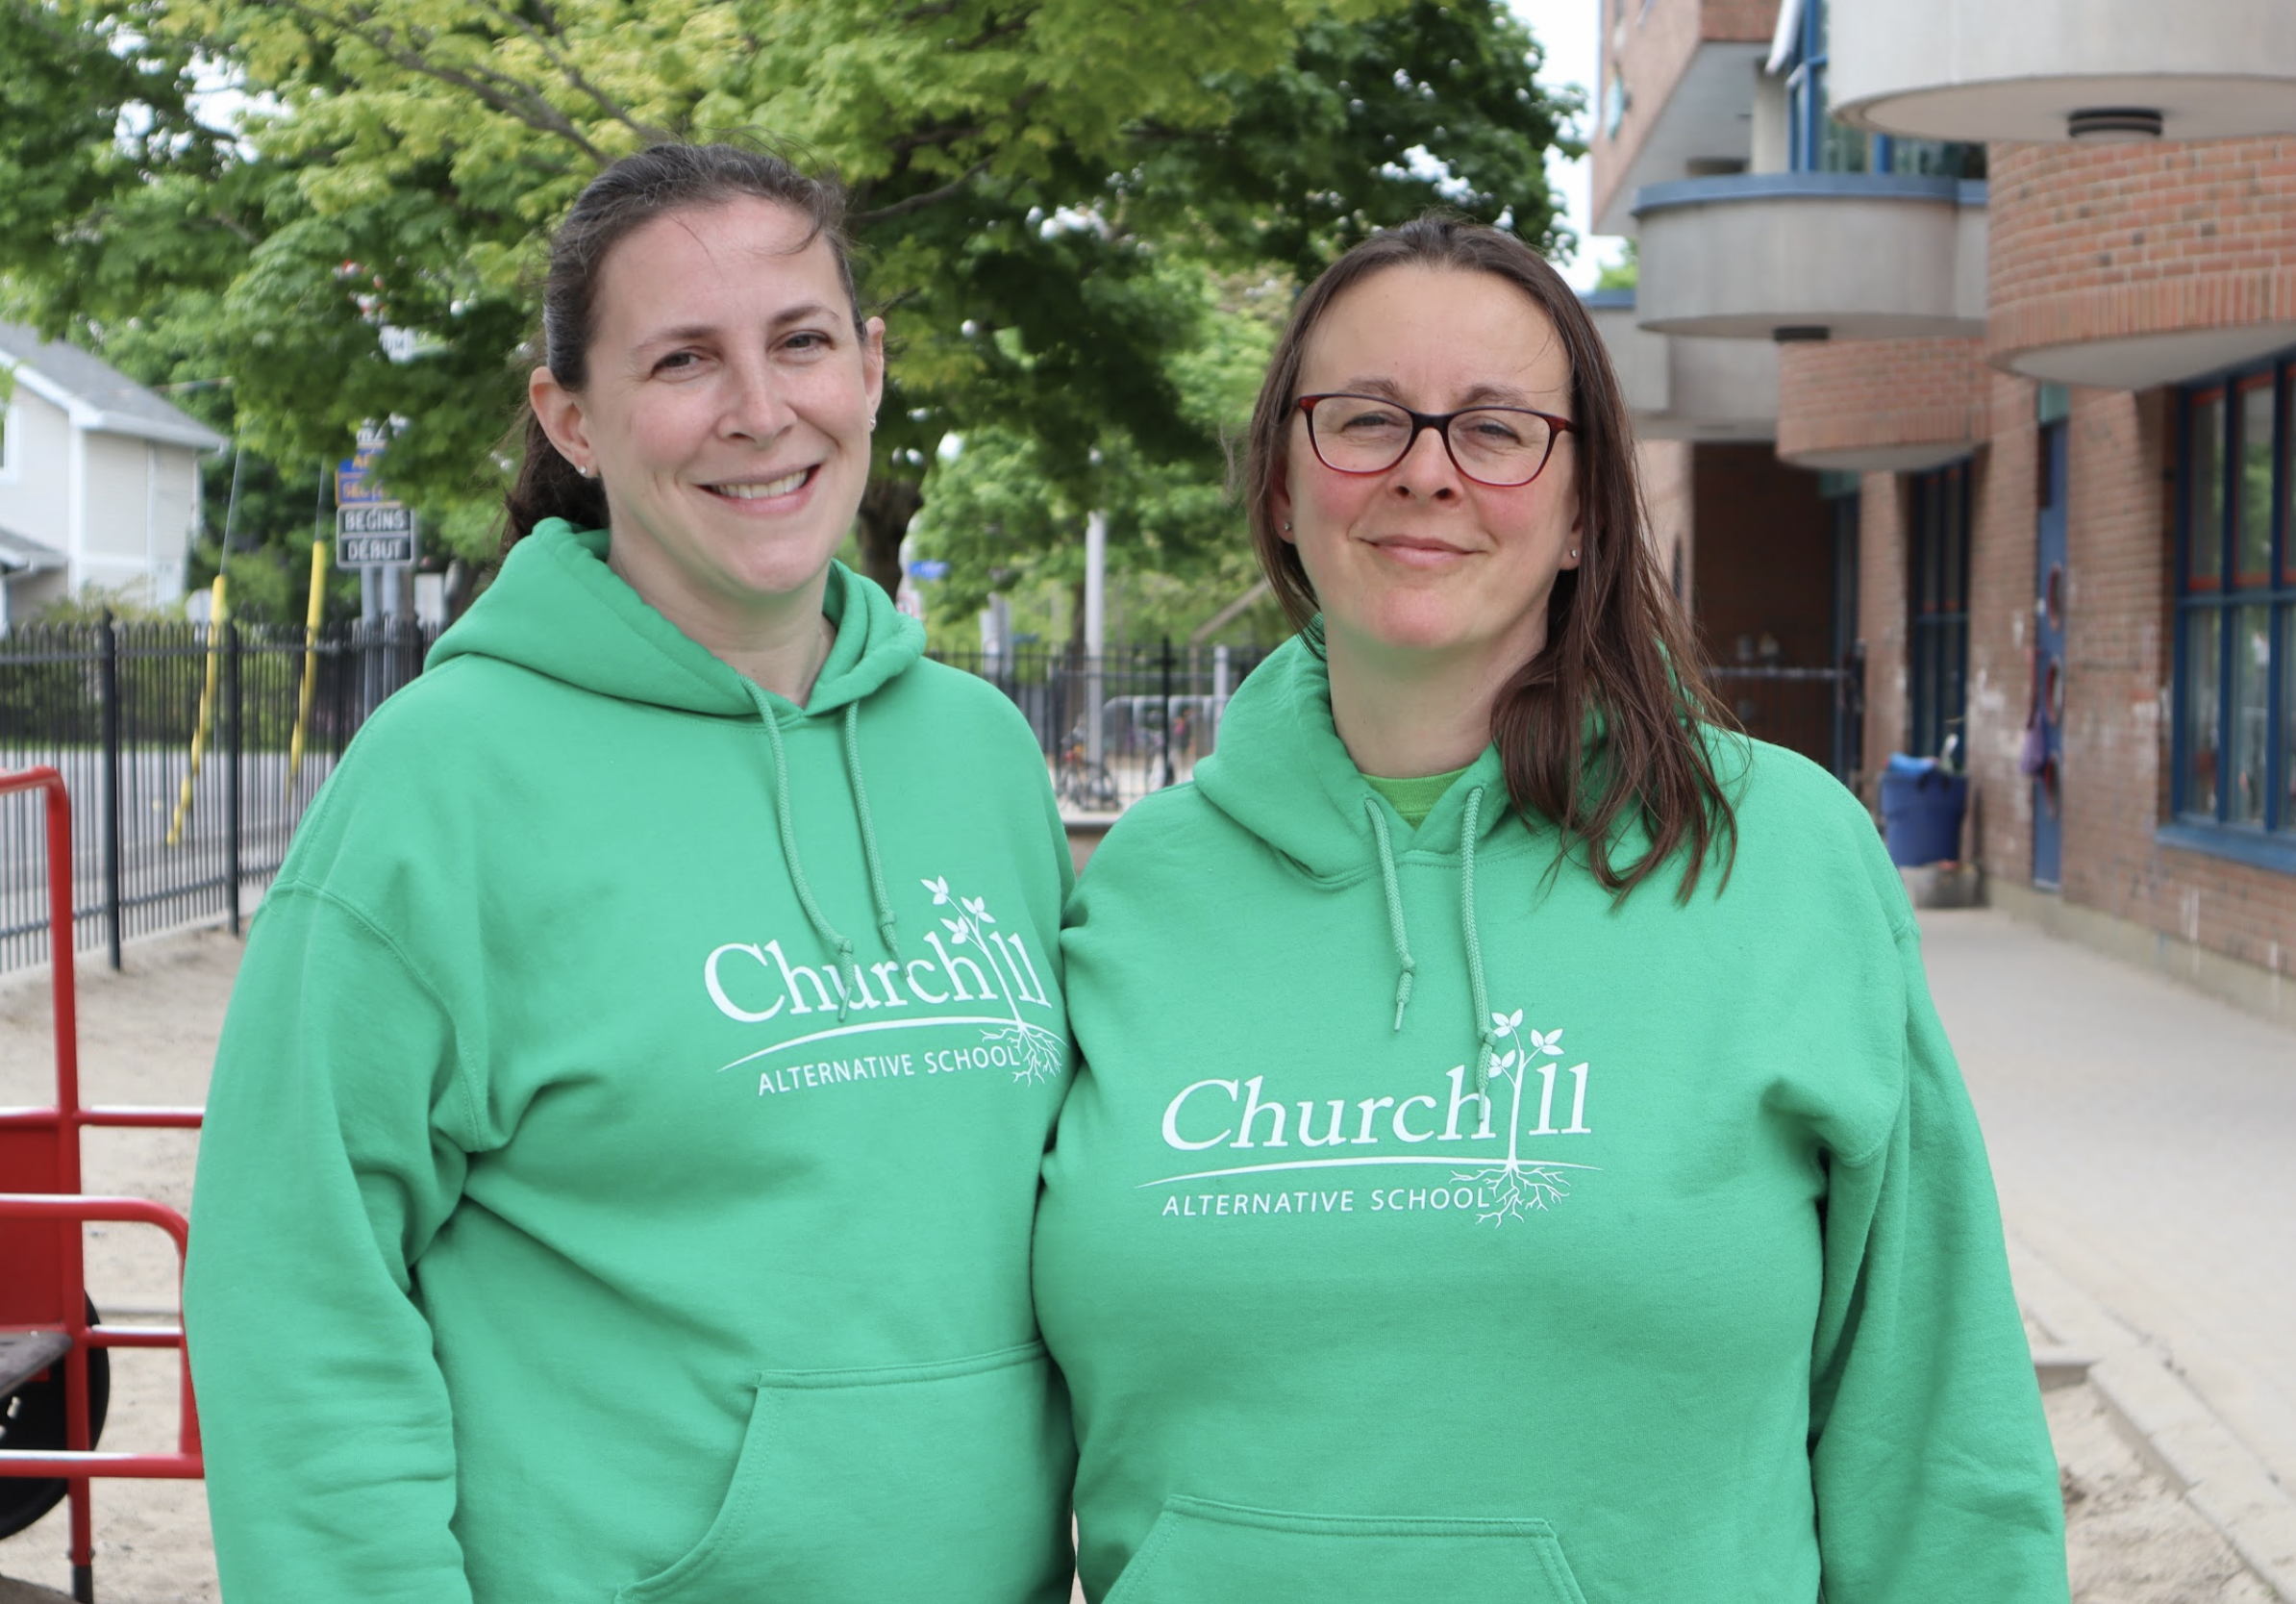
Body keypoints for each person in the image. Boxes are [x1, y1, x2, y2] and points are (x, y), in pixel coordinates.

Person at [1033, 216, 2069, 1604]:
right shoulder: (1139, 893)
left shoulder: (1780, 855)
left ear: (1585, 507)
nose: (1425, 472)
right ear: (1282, 482)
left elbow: (1934, 1416)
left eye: (1497, 430)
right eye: (1365, 420)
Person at [184, 144, 1076, 1604]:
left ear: (871, 365)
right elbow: (298, 1292)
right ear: (572, 417)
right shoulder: (443, 779)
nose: (759, 410)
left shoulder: (978, 755)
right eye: (682, 359)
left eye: (801, 341)